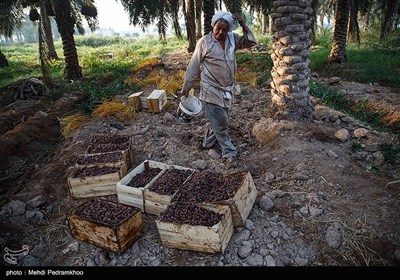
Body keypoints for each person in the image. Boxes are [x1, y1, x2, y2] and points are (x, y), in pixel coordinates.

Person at [181, 11, 256, 167]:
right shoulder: (205, 42)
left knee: (219, 120)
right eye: (218, 28)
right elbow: (193, 66)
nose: (220, 32)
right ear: (213, 25)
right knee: (221, 122)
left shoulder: (232, 39)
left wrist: (243, 24)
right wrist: (186, 87)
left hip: (227, 89)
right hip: (211, 89)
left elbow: (250, 42)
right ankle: (229, 152)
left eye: (225, 29)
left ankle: (207, 143)